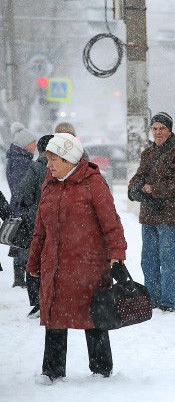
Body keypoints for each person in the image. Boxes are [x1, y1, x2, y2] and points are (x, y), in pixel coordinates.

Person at [25, 133, 127, 383]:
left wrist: (117, 254)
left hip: (88, 265)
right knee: (55, 317)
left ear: (70, 160)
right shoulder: (50, 181)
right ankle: (52, 371)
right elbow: (40, 227)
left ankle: (102, 370)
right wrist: (34, 259)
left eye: (54, 159)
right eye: (48, 158)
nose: (49, 164)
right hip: (56, 264)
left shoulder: (93, 183)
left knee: (94, 316)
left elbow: (111, 222)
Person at [127, 112, 175, 312]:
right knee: (148, 261)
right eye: (154, 128)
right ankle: (152, 299)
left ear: (170, 130)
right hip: (149, 216)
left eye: (162, 128)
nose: (158, 132)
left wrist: (151, 189)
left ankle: (169, 302)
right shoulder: (148, 153)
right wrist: (134, 189)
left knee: (168, 262)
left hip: (171, 218)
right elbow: (138, 178)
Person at [16, 134, 54, 318]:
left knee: (34, 258)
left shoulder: (35, 167)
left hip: (35, 221)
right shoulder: (60, 168)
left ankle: (37, 301)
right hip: (55, 221)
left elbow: (23, 193)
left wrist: (31, 207)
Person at [5, 122, 38, 287]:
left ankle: (20, 278)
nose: (36, 145)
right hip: (21, 206)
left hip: (19, 205)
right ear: (26, 144)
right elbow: (20, 188)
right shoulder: (20, 161)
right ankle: (19, 279)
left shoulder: (19, 158)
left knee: (21, 241)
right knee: (22, 242)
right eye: (33, 142)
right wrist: (27, 203)